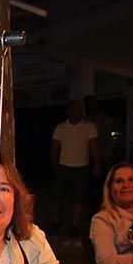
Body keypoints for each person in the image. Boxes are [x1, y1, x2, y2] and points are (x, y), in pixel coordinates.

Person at [50, 99, 101, 236]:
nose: (78, 112)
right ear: (69, 111)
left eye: (80, 109)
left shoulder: (89, 126)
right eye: (75, 109)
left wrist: (97, 164)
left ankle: (74, 224)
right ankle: (56, 220)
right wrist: (56, 164)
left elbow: (94, 146)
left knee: (79, 197)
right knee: (57, 195)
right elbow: (54, 147)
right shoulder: (61, 127)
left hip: (81, 167)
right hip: (64, 166)